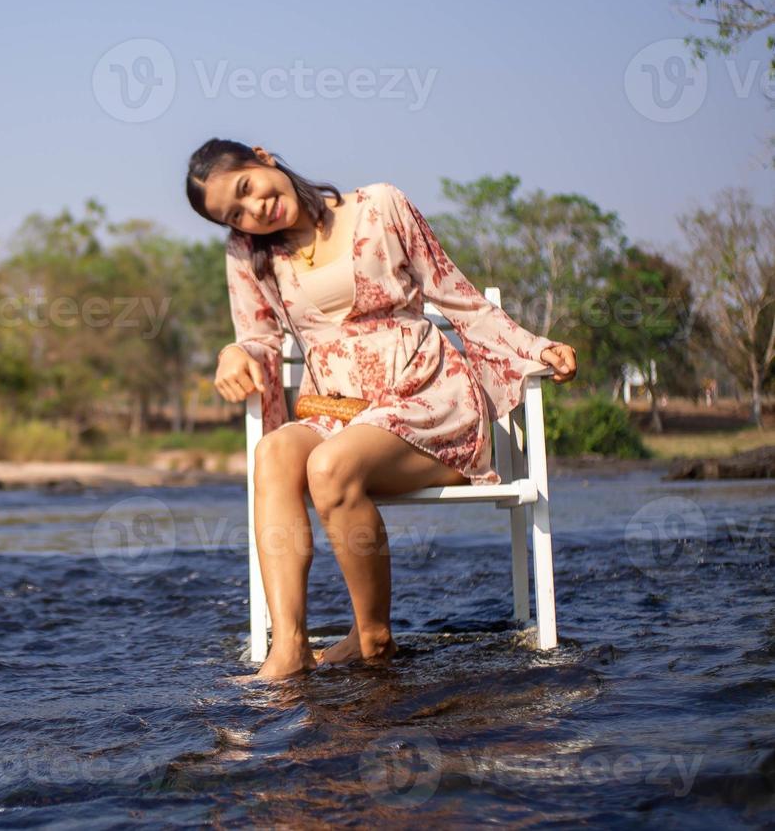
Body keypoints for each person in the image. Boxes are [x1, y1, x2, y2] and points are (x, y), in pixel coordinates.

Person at [185, 139, 578, 680]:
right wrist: (234, 352)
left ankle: (372, 637)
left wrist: (534, 348)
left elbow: (458, 297)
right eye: (235, 214)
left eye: (247, 189)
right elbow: (257, 338)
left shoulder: (381, 205)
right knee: (275, 452)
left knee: (329, 466)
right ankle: (290, 646)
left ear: (264, 157)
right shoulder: (247, 254)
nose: (254, 211)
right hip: (338, 413)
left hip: (428, 405)